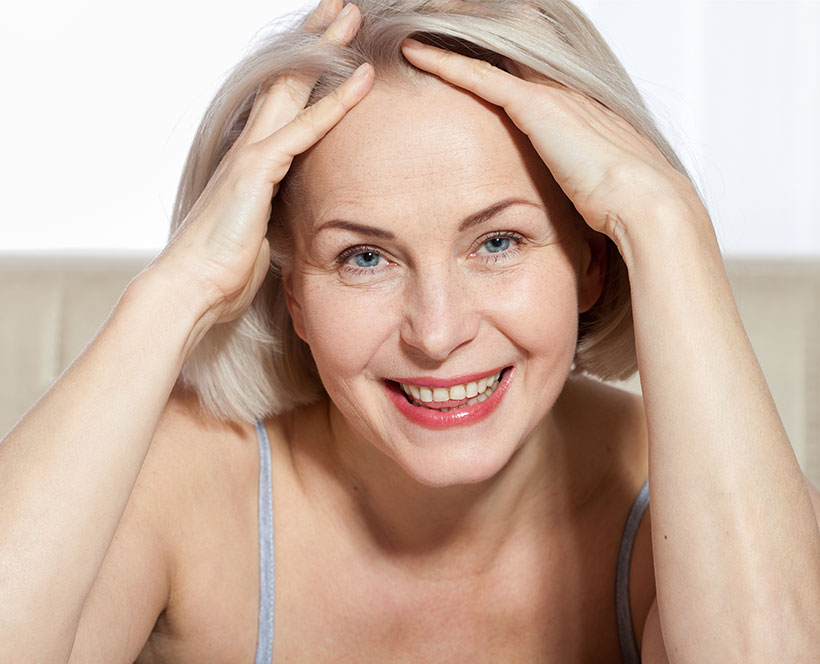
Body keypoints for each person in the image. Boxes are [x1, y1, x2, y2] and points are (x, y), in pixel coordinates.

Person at [1, 0, 819, 661]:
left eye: (498, 242)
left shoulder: (682, 485)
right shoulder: (181, 478)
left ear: (594, 262)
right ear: (290, 293)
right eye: (363, 257)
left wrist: (668, 223)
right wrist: (177, 288)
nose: (436, 332)